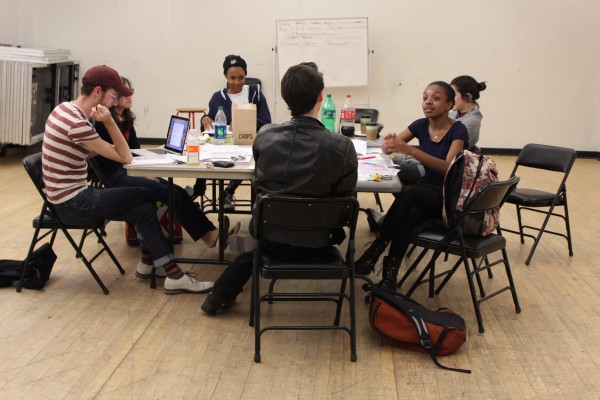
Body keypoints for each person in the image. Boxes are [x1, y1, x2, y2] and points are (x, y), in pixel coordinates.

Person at [200, 62, 358, 315]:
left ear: (285, 99)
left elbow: (261, 180)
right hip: (320, 237)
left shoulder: (265, 137)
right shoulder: (342, 146)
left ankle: (219, 295)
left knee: (261, 246)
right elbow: (346, 199)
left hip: (272, 233)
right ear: (320, 97)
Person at [41, 65, 213, 294]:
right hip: (73, 203)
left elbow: (94, 151)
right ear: (98, 92)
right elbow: (125, 157)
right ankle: (164, 268)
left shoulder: (65, 110)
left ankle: (163, 269)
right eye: (114, 96)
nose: (114, 101)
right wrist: (111, 123)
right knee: (149, 192)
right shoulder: (77, 123)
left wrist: (108, 143)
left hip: (66, 199)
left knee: (143, 209)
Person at [94, 76, 239, 279]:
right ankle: (209, 235)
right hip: (118, 175)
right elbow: (116, 158)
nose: (129, 97)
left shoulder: (126, 119)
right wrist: (146, 172)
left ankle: (209, 234)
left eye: (130, 91)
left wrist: (153, 161)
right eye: (124, 93)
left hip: (131, 168)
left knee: (176, 190)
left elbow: (134, 150)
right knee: (172, 193)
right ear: (114, 97)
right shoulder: (105, 122)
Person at [355, 81, 468, 290]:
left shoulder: (458, 131)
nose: (428, 102)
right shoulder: (420, 124)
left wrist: (411, 151)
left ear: (449, 105)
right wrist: (388, 145)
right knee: (411, 213)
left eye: (435, 98)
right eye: (425, 97)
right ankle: (389, 279)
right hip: (425, 194)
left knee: (408, 193)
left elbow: (447, 170)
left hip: (446, 197)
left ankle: (374, 251)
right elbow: (390, 147)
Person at [198, 54, 272, 210]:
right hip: (224, 143)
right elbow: (211, 119)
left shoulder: (255, 93)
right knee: (205, 155)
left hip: (250, 142)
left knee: (249, 158)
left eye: (241, 77)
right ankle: (200, 189)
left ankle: (228, 192)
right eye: (232, 78)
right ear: (225, 76)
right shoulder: (218, 97)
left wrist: (244, 122)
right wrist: (205, 118)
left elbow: (266, 121)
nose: (237, 82)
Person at [448, 75, 486, 148]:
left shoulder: (472, 121)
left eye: (453, 95)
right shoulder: (452, 114)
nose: (449, 98)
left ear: (467, 97)